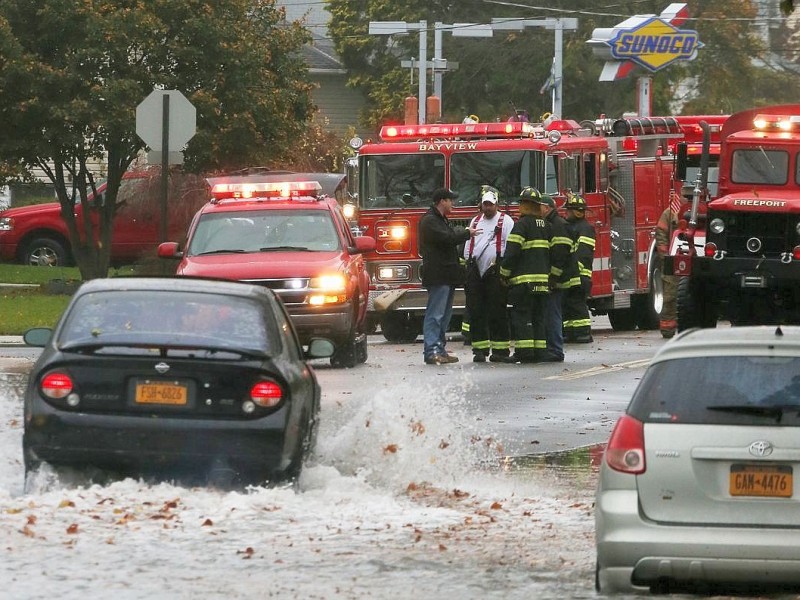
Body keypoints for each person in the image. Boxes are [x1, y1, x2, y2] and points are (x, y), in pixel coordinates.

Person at [419, 188, 479, 365]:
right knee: (435, 314)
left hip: (446, 275)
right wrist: (467, 232)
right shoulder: (429, 221)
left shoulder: (439, 220)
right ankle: (431, 351)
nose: (453, 204)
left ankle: (440, 349)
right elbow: (448, 238)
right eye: (450, 200)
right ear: (441, 201)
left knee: (444, 315)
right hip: (438, 275)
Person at [499, 187, 551, 363]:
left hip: (524, 283)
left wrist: (504, 274)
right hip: (543, 282)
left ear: (527, 205)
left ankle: (525, 352)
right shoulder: (546, 226)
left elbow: (512, 253)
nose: (519, 206)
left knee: (522, 317)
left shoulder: (521, 225)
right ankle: (540, 352)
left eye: (521, 203)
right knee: (539, 317)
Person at [463, 186, 515, 362]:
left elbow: (510, 245)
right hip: (475, 270)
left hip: (495, 270)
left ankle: (500, 351)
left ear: (496, 204)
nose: (488, 208)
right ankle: (480, 350)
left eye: (491, 204)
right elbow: (467, 246)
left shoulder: (505, 221)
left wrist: (506, 270)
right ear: (481, 205)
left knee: (497, 311)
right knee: (476, 311)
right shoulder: (475, 221)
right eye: (485, 204)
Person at [540, 194, 578, 362]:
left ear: (547, 208)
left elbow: (560, 254)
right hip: (557, 277)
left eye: (538, 206)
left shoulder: (558, 225)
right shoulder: (553, 223)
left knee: (552, 312)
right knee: (550, 312)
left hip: (558, 279)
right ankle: (552, 347)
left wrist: (553, 276)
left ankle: (555, 349)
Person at [562, 194, 595, 343]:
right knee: (569, 303)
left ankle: (583, 333)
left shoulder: (585, 228)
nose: (565, 213)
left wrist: (575, 270)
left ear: (576, 211)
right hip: (571, 273)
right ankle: (570, 332)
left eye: (568, 210)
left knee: (577, 304)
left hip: (580, 274)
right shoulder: (571, 226)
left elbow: (584, 254)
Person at [656, 190, 681, 338]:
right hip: (672, 260)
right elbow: (661, 234)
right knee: (670, 296)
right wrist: (666, 257)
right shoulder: (670, 213)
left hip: (692, 260)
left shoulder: (700, 209)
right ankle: (667, 329)